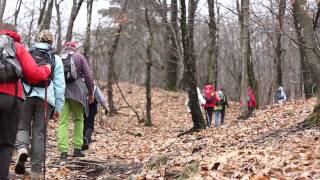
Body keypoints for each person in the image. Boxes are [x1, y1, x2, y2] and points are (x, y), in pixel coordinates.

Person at [0, 23, 51, 179]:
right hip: (12, 99)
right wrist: (47, 69)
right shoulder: (18, 47)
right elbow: (34, 74)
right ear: (14, 34)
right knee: (6, 144)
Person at [14, 30, 66, 178]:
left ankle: (22, 149)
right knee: (39, 133)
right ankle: (36, 171)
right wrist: (58, 107)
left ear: (38, 40)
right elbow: (60, 86)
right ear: (51, 41)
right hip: (45, 99)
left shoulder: (27, 53)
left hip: (25, 96)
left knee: (22, 126)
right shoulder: (55, 58)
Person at [57, 42, 94, 161]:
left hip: (62, 92)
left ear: (65, 47)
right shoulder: (79, 57)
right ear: (74, 48)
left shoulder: (59, 57)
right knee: (78, 119)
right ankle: (77, 149)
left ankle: (63, 152)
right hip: (77, 92)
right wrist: (91, 92)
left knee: (63, 122)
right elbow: (88, 75)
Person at [82, 84, 109, 150]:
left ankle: (83, 140)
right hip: (93, 107)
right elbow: (101, 98)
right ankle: (86, 138)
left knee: (83, 123)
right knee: (90, 124)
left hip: (83, 106)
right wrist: (106, 108)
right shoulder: (94, 87)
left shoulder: (81, 85)